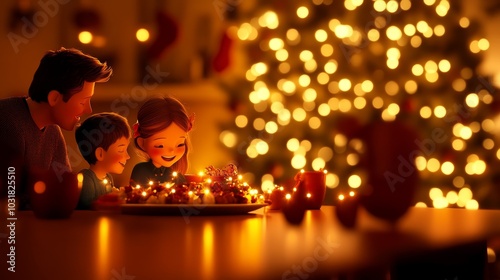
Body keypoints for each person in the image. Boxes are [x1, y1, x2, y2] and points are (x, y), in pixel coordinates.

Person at [0, 47, 113, 209]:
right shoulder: (7, 123)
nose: (88, 110)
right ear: (54, 98)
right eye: (83, 101)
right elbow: (10, 204)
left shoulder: (52, 131)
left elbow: (64, 189)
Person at [130, 96, 194, 186]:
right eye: (160, 145)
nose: (171, 151)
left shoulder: (177, 176)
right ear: (142, 143)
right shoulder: (141, 170)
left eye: (179, 144)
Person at [75, 112, 131, 210]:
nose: (128, 156)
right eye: (121, 150)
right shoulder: (86, 179)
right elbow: (87, 206)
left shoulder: (108, 178)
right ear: (100, 154)